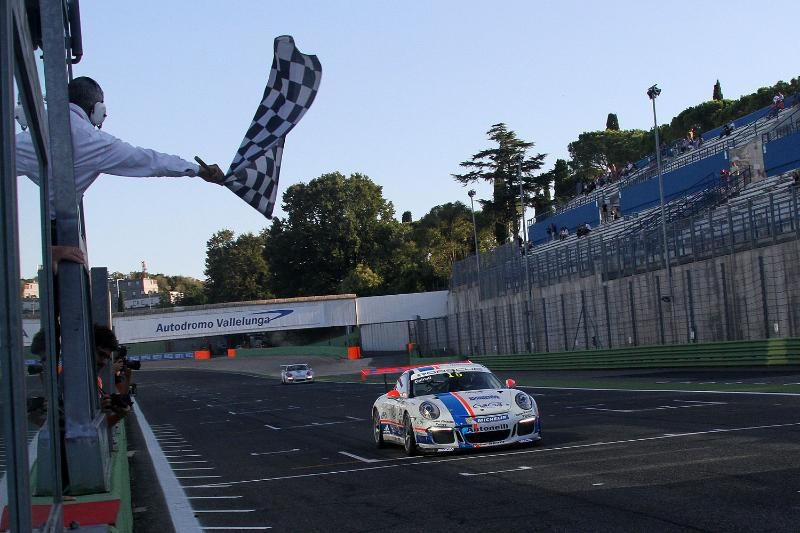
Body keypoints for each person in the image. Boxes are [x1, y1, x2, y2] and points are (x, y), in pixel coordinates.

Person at [15, 76, 225, 216]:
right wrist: (198, 170)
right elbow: (150, 161)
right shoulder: (94, 143)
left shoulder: (34, 133)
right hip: (59, 234)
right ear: (98, 110)